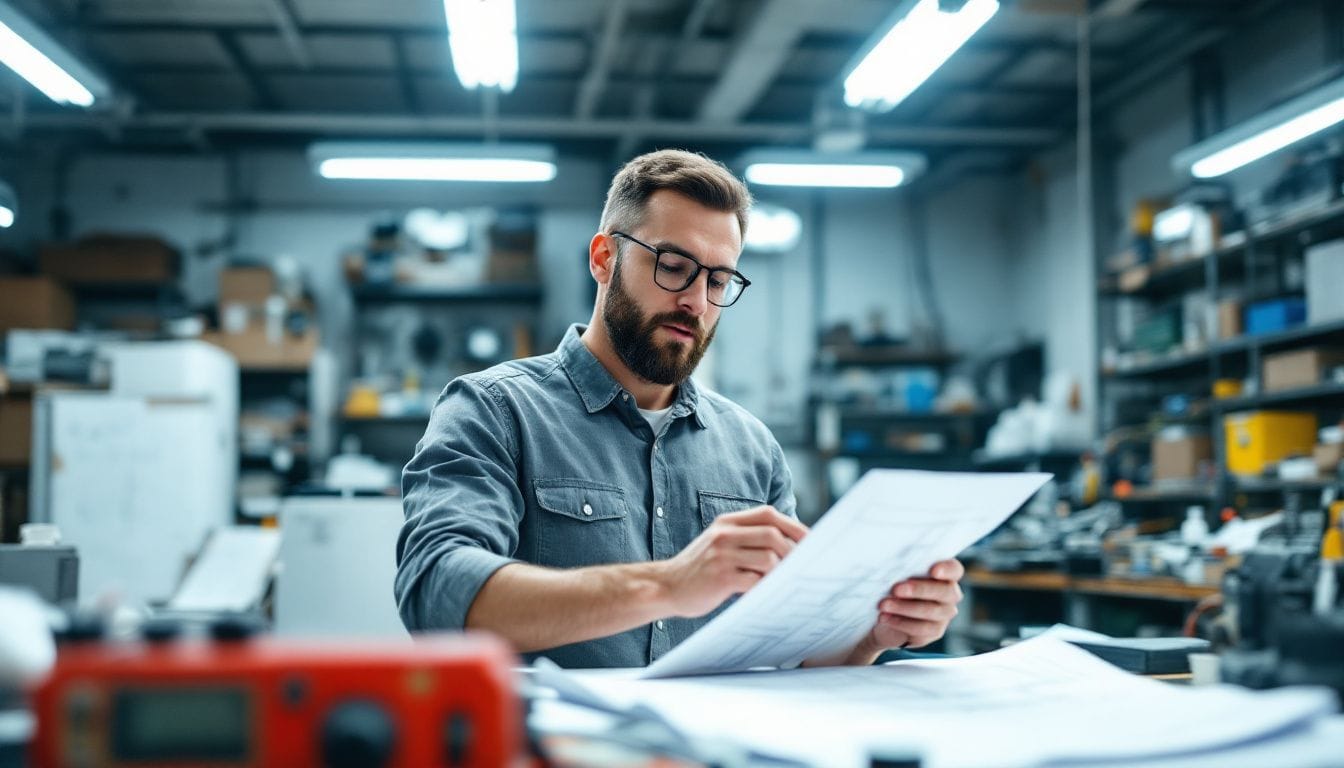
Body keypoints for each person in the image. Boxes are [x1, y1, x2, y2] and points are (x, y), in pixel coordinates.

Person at [395, 149, 964, 668]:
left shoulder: (752, 449)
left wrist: (874, 633)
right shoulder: (495, 410)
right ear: (603, 258)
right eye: (673, 266)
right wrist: (667, 585)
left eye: (719, 280)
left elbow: (796, 657)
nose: (695, 300)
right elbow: (438, 592)